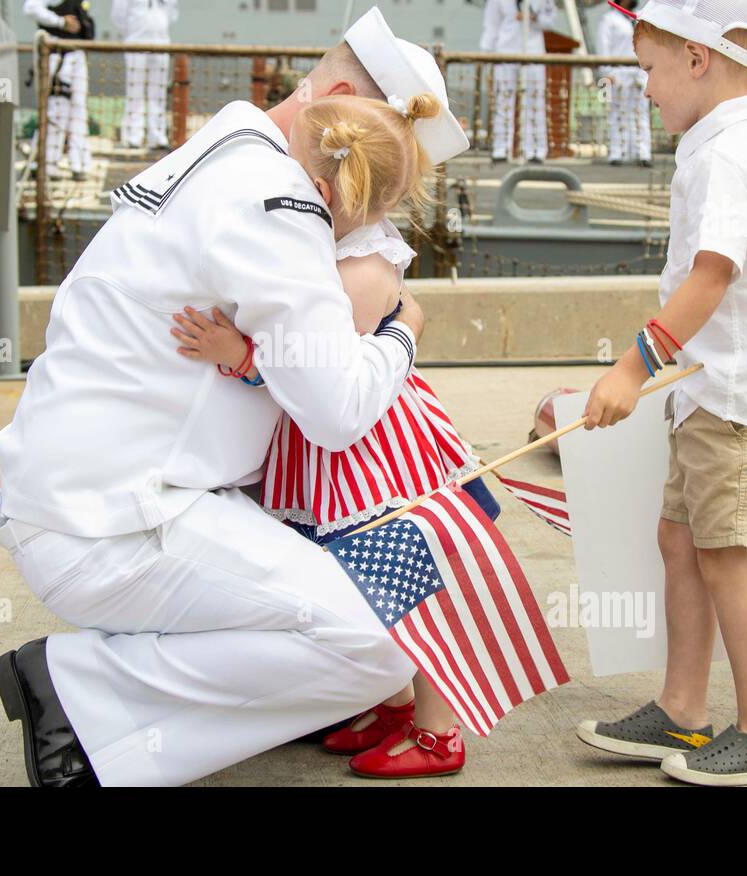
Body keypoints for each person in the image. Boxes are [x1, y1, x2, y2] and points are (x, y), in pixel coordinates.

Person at [0, 6, 470, 788]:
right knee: (383, 641)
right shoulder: (278, 200)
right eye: (370, 180)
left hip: (88, 498)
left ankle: (101, 705)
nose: (368, 208)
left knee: (353, 623)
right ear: (337, 103)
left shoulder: (230, 145)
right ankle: (78, 692)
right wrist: (402, 333)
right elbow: (339, 410)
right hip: (123, 520)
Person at [168, 93, 500, 779]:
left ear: (319, 190)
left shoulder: (355, 273)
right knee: (367, 576)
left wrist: (240, 356)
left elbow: (322, 382)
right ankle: (394, 701)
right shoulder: (359, 252)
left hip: (374, 455)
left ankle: (440, 730)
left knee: (406, 576)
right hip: (353, 444)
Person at [574, 0, 747, 786]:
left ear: (694, 59)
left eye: (646, 68)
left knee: (722, 556)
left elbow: (713, 273)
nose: (642, 87)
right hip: (718, 392)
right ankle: (683, 713)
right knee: (680, 540)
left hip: (737, 401)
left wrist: (630, 365)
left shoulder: (723, 157)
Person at [22, 0, 94, 180]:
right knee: (56, 109)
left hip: (74, 53)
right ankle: (47, 163)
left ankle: (79, 163)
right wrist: (60, 22)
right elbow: (31, 8)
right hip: (58, 57)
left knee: (78, 109)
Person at [480, 0, 556, 163]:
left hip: (533, 52)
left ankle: (536, 149)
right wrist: (487, 54)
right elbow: (491, 26)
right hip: (505, 52)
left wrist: (534, 18)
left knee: (535, 100)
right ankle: (501, 148)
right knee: (504, 100)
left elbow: (550, 21)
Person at [112, 0, 178, 150]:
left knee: (158, 91)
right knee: (135, 89)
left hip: (161, 43)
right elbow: (118, 18)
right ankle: (133, 135)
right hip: (136, 44)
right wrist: (134, 35)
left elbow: (172, 15)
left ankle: (157, 135)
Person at [597, 0, 651, 167]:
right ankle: (617, 153)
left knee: (640, 113)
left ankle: (642, 153)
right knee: (617, 113)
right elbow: (603, 47)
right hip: (617, 73)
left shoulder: (639, 18)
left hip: (637, 72)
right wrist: (606, 72)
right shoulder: (609, 20)